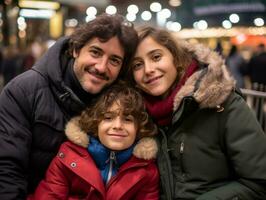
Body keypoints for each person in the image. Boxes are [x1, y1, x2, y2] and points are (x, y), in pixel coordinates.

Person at [0, 13, 138, 199]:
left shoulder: (118, 103)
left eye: (114, 60)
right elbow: (7, 169)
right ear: (75, 50)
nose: (101, 67)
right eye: (95, 52)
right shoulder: (24, 91)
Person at [128, 26, 266, 200]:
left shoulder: (222, 104)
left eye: (156, 57)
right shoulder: (136, 117)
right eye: (137, 65)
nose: (148, 69)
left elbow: (258, 182)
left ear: (175, 58)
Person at [28, 82, 159, 200]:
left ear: (139, 128)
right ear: (96, 123)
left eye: (128, 119)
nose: (118, 125)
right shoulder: (67, 157)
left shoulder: (147, 171)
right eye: (108, 118)